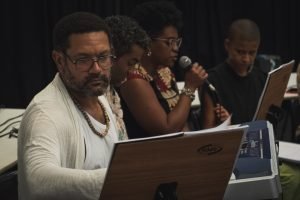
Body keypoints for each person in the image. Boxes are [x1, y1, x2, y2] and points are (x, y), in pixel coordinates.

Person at [18, 12, 120, 199]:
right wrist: (122, 177)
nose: (96, 69)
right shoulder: (45, 113)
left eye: (103, 57)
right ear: (59, 61)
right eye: (83, 60)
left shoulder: (100, 96)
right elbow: (38, 179)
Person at [200, 18, 300, 200]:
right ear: (227, 45)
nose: (246, 58)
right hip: (230, 159)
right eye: (240, 51)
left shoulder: (262, 78)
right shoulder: (212, 81)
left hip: (260, 153)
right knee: (289, 179)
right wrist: (222, 124)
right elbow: (207, 136)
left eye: (251, 53)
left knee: (295, 176)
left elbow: (270, 122)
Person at [119, 1, 208, 139]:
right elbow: (166, 130)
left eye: (177, 42)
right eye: (169, 42)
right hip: (148, 156)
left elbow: (181, 121)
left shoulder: (164, 72)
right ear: (148, 42)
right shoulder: (133, 79)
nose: (176, 48)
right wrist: (189, 88)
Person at [104, 15, 150, 140]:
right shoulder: (92, 96)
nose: (133, 71)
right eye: (131, 63)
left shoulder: (112, 92)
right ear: (112, 56)